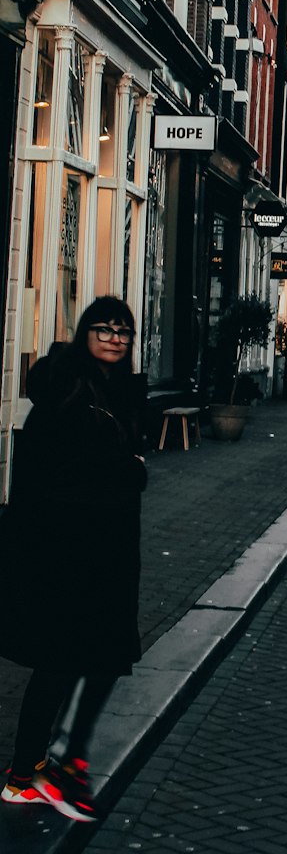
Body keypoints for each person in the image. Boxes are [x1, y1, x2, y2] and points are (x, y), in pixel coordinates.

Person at [0, 298, 147, 823]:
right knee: (62, 660)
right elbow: (59, 477)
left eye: (123, 332)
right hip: (67, 552)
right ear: (85, 332)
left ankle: (50, 767)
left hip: (105, 551)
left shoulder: (118, 393)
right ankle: (32, 773)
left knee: (100, 657)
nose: (114, 337)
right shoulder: (65, 395)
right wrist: (126, 474)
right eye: (104, 328)